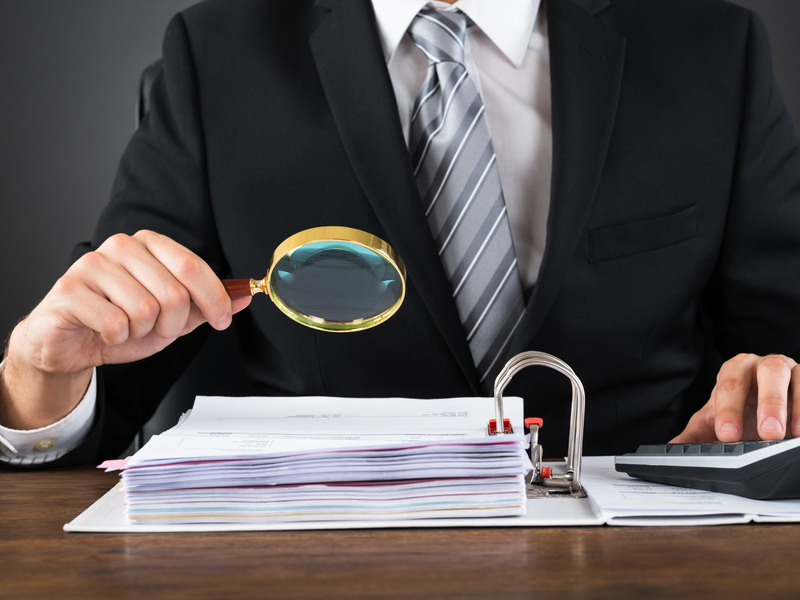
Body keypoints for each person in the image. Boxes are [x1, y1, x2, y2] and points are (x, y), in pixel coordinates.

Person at [1, 0, 799, 467]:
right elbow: (105, 390)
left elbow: (782, 339)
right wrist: (39, 381)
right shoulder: (216, 56)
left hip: (639, 557)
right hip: (324, 554)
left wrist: (776, 394)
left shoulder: (711, 48)